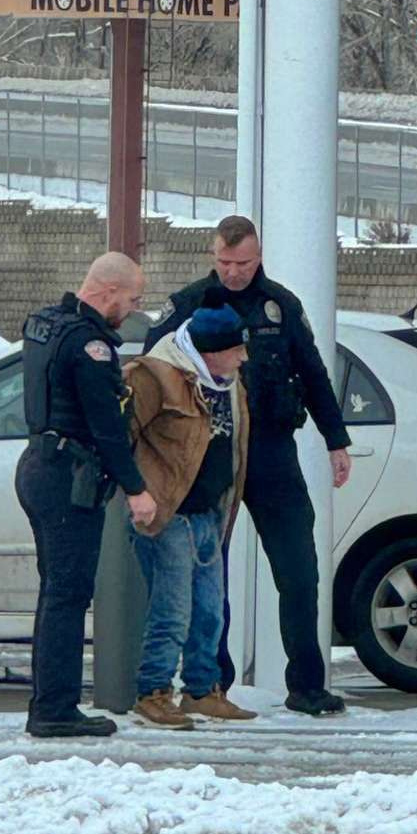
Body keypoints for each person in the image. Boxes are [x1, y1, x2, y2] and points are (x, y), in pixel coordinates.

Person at [144, 216, 353, 717]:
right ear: (213, 256)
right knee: (208, 572)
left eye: (243, 263)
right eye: (225, 262)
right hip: (211, 452)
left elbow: (315, 373)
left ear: (259, 257)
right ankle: (212, 683)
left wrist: (336, 439)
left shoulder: (281, 306)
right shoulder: (190, 304)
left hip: (272, 451)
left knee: (299, 570)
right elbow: (150, 371)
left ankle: (306, 684)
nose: (234, 272)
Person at [16, 252, 158, 739]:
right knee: (68, 593)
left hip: (38, 465)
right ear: (108, 291)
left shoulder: (45, 324)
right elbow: (106, 426)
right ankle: (55, 709)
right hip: (68, 478)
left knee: (54, 590)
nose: (133, 308)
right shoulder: (91, 345)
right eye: (132, 299)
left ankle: (49, 702)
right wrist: (136, 489)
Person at [123, 290, 259, 730]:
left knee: (210, 611)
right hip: (172, 514)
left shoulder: (227, 382)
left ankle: (202, 689)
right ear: (211, 352)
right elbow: (121, 433)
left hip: (209, 512)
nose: (243, 357)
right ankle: (154, 691)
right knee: (172, 609)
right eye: (236, 349)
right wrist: (136, 491)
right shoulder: (156, 376)